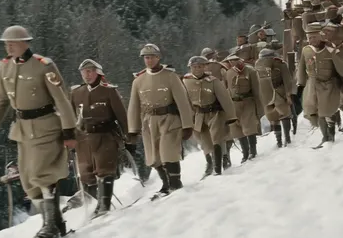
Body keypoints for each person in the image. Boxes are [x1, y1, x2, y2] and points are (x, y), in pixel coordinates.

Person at [0, 26, 77, 238]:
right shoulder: (4, 67)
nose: (8, 46)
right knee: (28, 179)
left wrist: (69, 130)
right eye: (6, 43)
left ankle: (49, 227)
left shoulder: (44, 65)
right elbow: (0, 101)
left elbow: (61, 99)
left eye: (12, 42)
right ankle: (54, 222)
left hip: (46, 127)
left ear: (25, 43)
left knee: (43, 173)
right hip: (22, 129)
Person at [127, 44, 193, 198]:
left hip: (169, 120)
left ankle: (175, 182)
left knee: (168, 153)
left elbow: (183, 101)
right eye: (146, 57)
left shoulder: (170, 76)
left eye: (151, 57)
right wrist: (132, 129)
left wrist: (187, 125)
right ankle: (166, 183)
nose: (149, 60)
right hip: (149, 122)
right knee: (154, 157)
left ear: (158, 58)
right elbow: (134, 106)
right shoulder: (139, 80)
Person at [70, 59, 129, 217]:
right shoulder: (76, 93)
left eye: (90, 71)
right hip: (83, 139)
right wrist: (68, 136)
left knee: (105, 170)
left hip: (105, 136)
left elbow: (122, 116)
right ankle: (92, 206)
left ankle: (104, 206)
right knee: (86, 173)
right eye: (84, 72)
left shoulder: (109, 91)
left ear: (98, 72)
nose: (87, 75)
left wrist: (129, 137)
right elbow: (69, 117)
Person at [297, 22, 343, 146]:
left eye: (314, 37)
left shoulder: (331, 49)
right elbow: (301, 67)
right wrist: (300, 83)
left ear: (321, 36)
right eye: (309, 37)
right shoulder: (306, 50)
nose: (312, 40)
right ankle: (325, 137)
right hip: (312, 85)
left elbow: (340, 66)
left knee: (326, 111)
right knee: (314, 111)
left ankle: (330, 133)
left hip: (329, 85)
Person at [182, 56, 237, 177]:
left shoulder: (213, 81)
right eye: (194, 67)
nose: (197, 69)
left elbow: (225, 99)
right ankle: (210, 163)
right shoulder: (186, 82)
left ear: (205, 67)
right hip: (198, 115)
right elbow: (184, 101)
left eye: (200, 66)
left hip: (214, 113)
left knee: (217, 138)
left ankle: (219, 166)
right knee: (204, 142)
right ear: (190, 68)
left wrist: (231, 115)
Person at [224, 53, 264, 162]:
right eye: (230, 61)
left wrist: (258, 106)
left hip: (248, 102)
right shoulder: (229, 73)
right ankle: (245, 153)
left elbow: (256, 89)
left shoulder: (250, 71)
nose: (232, 62)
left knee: (249, 126)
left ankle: (252, 151)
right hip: (234, 103)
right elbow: (228, 89)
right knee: (237, 129)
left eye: (235, 60)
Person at [255, 48, 293, 148]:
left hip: (279, 91)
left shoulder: (280, 64)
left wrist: (288, 94)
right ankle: (279, 140)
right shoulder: (258, 66)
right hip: (267, 94)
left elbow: (287, 80)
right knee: (273, 117)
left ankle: (287, 138)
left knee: (284, 114)